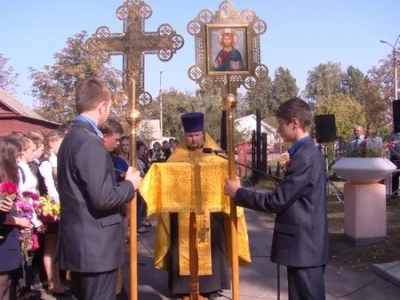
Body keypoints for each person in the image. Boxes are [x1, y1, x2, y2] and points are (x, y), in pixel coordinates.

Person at [224, 98, 329, 300]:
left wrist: (239, 193)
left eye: (281, 123)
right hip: (306, 247)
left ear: (295, 122)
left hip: (305, 248)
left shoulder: (304, 156)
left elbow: (277, 201)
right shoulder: (305, 152)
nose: (279, 129)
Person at [140, 112, 251, 300]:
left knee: (213, 245)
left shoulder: (217, 156)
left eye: (196, 135)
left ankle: (211, 287)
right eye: (189, 136)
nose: (193, 139)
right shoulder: (175, 159)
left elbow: (228, 177)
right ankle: (183, 288)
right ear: (185, 136)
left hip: (211, 212)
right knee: (182, 246)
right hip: (182, 213)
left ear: (203, 134)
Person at [54, 78, 142, 300]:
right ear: (102, 105)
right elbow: (103, 197)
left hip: (82, 244)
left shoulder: (71, 139)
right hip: (96, 249)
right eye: (109, 107)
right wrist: (130, 185)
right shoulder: (89, 141)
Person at [0, 137, 33, 300]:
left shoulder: (10, 175)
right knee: (2, 283)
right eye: (16, 155)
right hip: (2, 236)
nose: (19, 159)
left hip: (9, 234)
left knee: (7, 283)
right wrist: (19, 221)